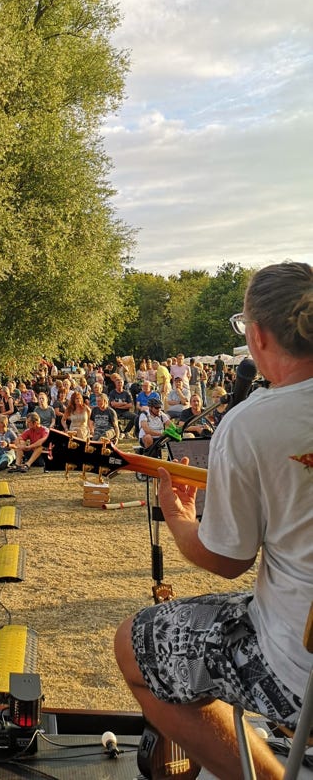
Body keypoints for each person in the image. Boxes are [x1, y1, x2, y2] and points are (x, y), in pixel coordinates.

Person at [114, 261, 313, 780]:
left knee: (133, 646)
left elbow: (227, 560)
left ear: (257, 335)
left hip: (300, 670)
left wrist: (179, 518)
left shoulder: (252, 423)